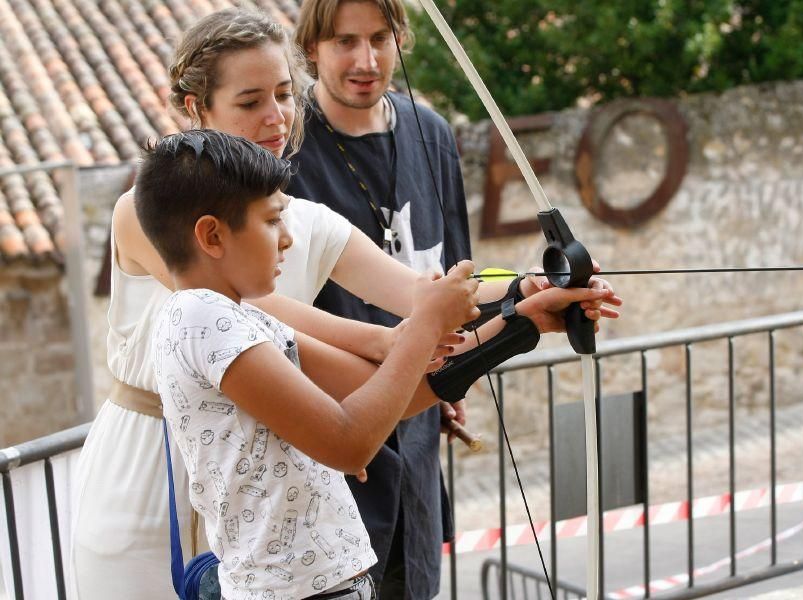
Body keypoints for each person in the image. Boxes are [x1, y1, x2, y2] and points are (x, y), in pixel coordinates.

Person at [68, 7, 621, 600]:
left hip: (266, 476)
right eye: (250, 101)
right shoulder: (151, 213)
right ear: (197, 108)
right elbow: (253, 314)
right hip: (153, 475)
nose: (276, 117)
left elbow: (418, 290)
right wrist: (387, 341)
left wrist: (529, 288)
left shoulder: (299, 221)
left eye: (284, 94)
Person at [136, 128, 613, 598]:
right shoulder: (201, 318)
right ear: (212, 236)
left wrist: (520, 320)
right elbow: (349, 443)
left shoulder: (240, 317)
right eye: (271, 221)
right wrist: (425, 323)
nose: (287, 240)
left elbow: (388, 388)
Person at [288, 1, 624, 596]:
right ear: (311, 47)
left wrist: (531, 289)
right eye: (344, 41)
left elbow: (454, 283)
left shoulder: (431, 133)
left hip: (416, 427)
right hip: (328, 438)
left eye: (380, 38)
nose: (366, 61)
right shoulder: (284, 145)